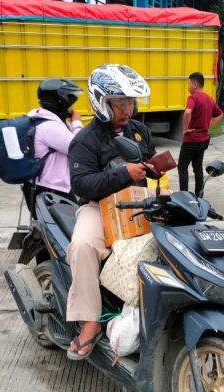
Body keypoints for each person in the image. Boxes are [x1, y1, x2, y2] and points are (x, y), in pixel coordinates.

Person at [67, 64, 155, 360]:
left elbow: (149, 165)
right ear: (101, 103)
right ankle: (90, 321)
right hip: (98, 206)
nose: (127, 109)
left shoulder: (139, 131)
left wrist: (154, 169)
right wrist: (124, 174)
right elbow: (82, 185)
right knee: (82, 246)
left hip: (137, 201)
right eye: (120, 103)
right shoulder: (84, 140)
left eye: (130, 102)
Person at [22, 78, 84, 215]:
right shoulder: (49, 127)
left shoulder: (40, 118)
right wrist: (77, 122)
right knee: (70, 229)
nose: (73, 107)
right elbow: (80, 148)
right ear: (61, 102)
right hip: (50, 190)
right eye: (71, 102)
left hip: (43, 186)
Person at [180, 72, 223, 197]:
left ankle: (184, 197)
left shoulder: (193, 97)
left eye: (189, 84)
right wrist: (208, 125)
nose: (188, 87)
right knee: (197, 167)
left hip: (192, 139)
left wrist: (185, 128)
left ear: (195, 84)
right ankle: (199, 196)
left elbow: (188, 112)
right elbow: (220, 114)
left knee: (182, 167)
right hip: (204, 140)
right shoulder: (209, 98)